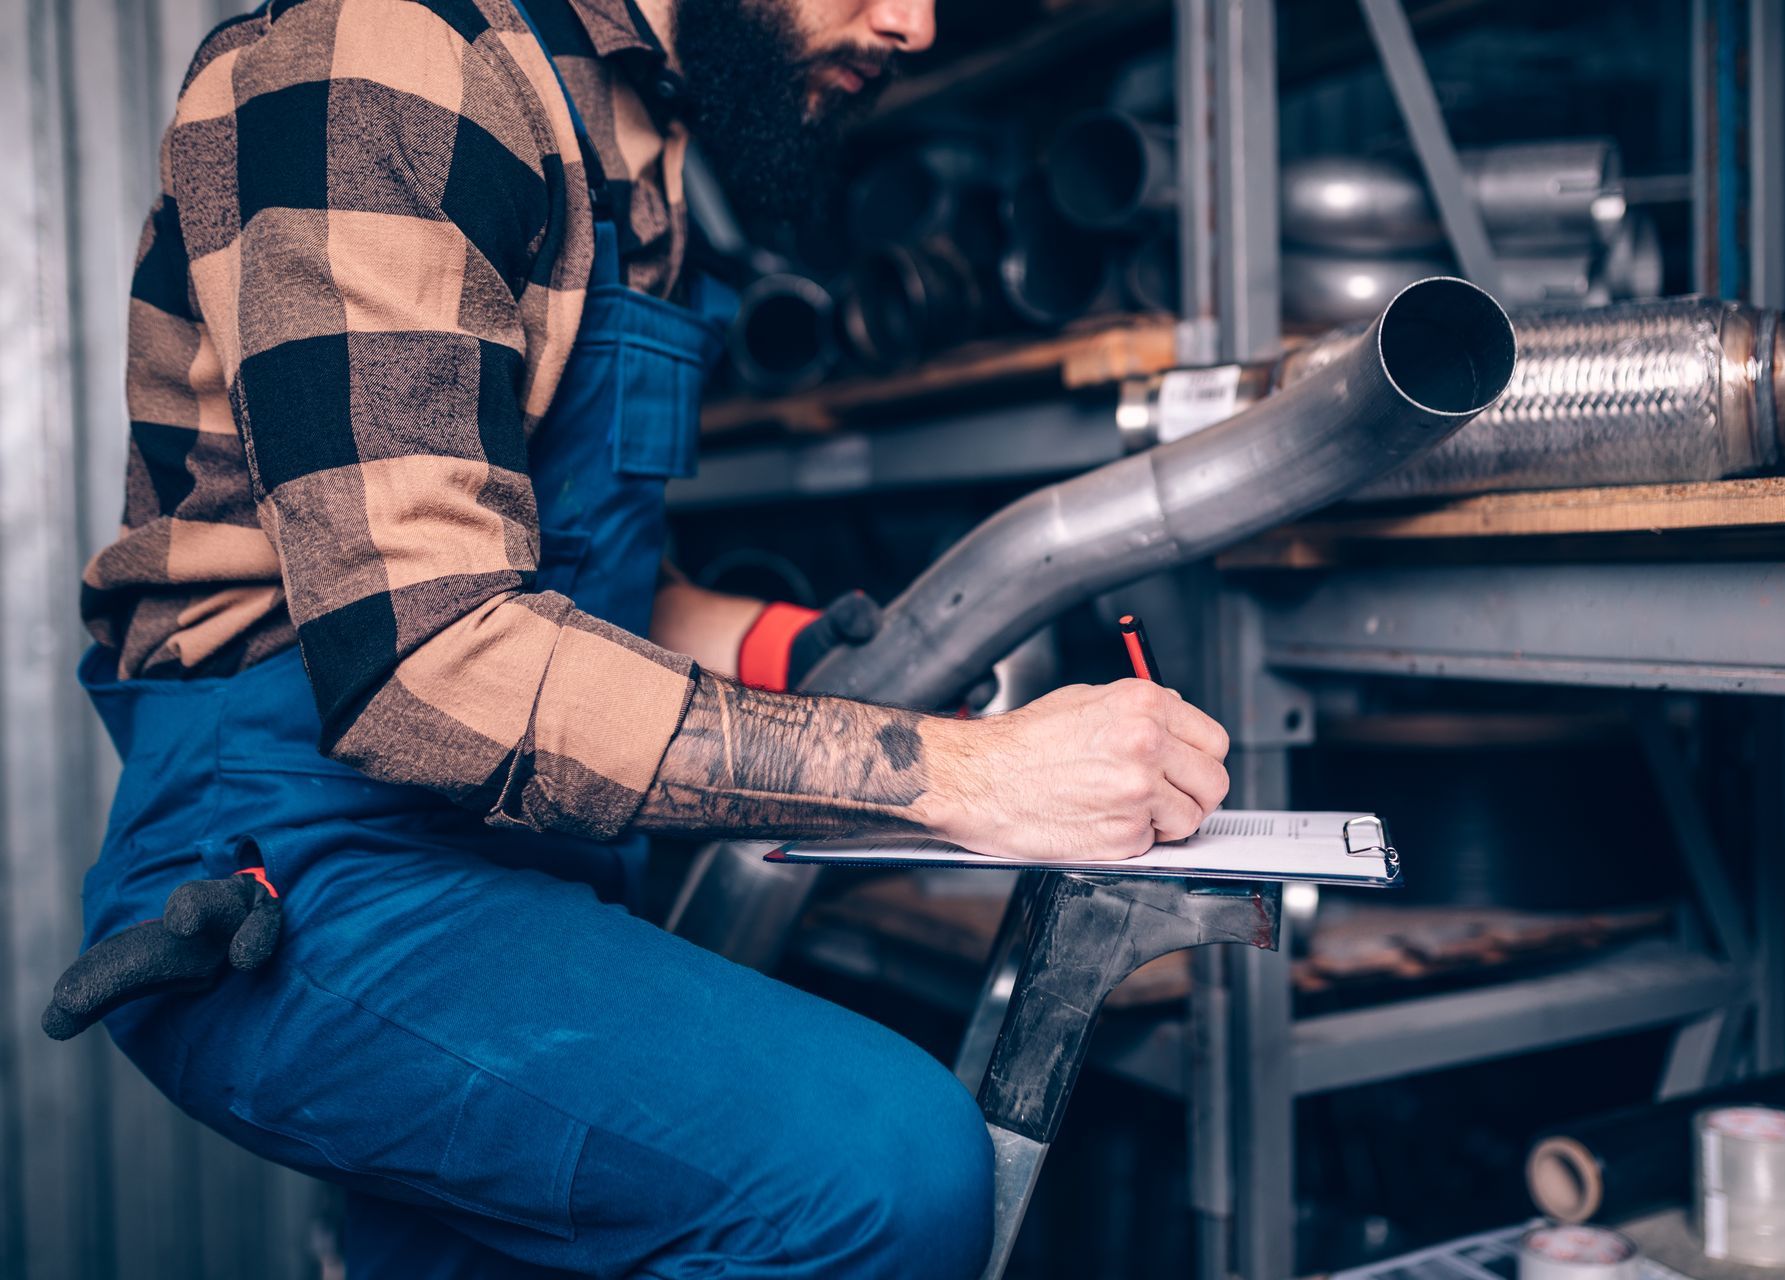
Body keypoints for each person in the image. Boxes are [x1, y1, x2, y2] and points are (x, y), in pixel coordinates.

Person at [63, 0, 1232, 1275]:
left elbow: (560, 574)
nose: (917, 21)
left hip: (518, 842)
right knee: (887, 1166)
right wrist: (967, 776)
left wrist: (816, 654)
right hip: (306, 854)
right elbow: (424, 654)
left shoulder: (636, 140)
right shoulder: (392, 58)